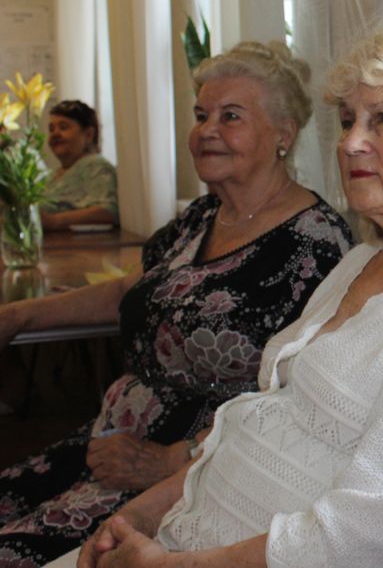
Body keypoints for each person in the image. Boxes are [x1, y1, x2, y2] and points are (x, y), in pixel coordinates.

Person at [67, 17, 383, 568]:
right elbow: (257, 422)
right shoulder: (365, 260)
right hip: (183, 534)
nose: (350, 142)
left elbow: (365, 541)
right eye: (347, 121)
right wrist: (140, 517)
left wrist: (165, 565)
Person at [0, 41, 355, 567]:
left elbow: (296, 397)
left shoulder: (317, 244)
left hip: (186, 475)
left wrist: (172, 459)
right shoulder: (203, 216)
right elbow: (132, 290)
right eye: (200, 114)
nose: (206, 130)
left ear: (283, 134)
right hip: (109, 444)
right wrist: (18, 315)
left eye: (230, 116)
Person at [41, 100, 119, 231]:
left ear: (88, 134)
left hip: (78, 243)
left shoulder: (96, 166)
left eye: (63, 127)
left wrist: (54, 221)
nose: (55, 134)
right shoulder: (51, 175)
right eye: (51, 129)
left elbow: (108, 211)